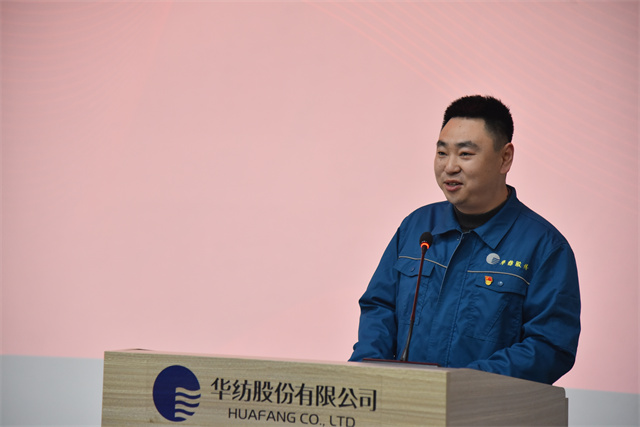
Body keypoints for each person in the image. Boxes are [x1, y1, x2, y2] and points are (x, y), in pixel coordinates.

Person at [349, 95, 580, 384]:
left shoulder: (544, 247)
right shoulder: (417, 227)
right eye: (442, 153)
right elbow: (380, 307)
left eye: (465, 154)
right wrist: (366, 377)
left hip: (484, 405)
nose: (450, 167)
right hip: (405, 402)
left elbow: (549, 346)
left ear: (505, 158)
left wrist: (464, 384)